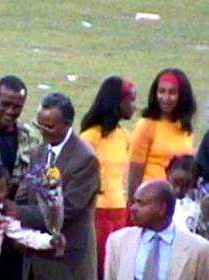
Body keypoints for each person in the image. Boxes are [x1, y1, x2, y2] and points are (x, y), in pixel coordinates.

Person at [15, 93, 100, 280]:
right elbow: (24, 193)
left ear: (68, 124)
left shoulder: (85, 159)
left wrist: (18, 213)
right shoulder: (39, 151)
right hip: (34, 257)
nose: (43, 131)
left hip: (67, 262)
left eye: (49, 127)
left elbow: (66, 210)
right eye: (39, 125)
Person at [0, 75, 38, 280]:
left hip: (14, 228)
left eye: (17, 106)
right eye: (5, 104)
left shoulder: (30, 136)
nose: (11, 111)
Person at [80, 76, 136, 279]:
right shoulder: (90, 136)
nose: (134, 106)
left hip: (121, 211)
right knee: (100, 266)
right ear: (117, 102)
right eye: (131, 100)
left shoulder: (125, 136)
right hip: (98, 211)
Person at [105, 180, 209, 280]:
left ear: (162, 209)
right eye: (134, 202)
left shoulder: (199, 249)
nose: (133, 208)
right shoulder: (118, 241)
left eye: (141, 203)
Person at [127, 68, 196, 203]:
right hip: (150, 204)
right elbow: (134, 174)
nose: (165, 98)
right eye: (161, 91)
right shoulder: (146, 125)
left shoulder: (185, 127)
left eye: (172, 93)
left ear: (182, 96)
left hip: (177, 205)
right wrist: (135, 206)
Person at [165, 154, 201, 233]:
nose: (178, 190)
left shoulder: (195, 208)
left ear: (194, 184)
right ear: (168, 174)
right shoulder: (157, 201)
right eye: (175, 183)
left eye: (185, 186)